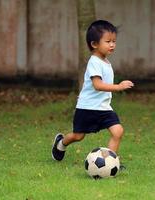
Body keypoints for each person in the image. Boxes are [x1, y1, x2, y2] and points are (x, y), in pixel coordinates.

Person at [51, 20, 134, 164]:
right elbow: (97, 85)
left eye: (114, 41)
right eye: (108, 41)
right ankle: (61, 143)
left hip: (104, 108)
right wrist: (118, 87)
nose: (112, 44)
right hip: (87, 107)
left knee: (118, 131)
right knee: (78, 136)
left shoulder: (106, 62)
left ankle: (110, 163)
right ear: (94, 44)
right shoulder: (94, 62)